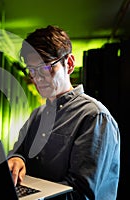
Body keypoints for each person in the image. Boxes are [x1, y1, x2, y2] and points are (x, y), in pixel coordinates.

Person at [7, 25, 120, 200]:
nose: (37, 78)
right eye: (32, 70)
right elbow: (18, 151)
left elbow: (80, 194)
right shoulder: (36, 115)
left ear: (69, 64)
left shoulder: (94, 117)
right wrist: (17, 159)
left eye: (45, 67)